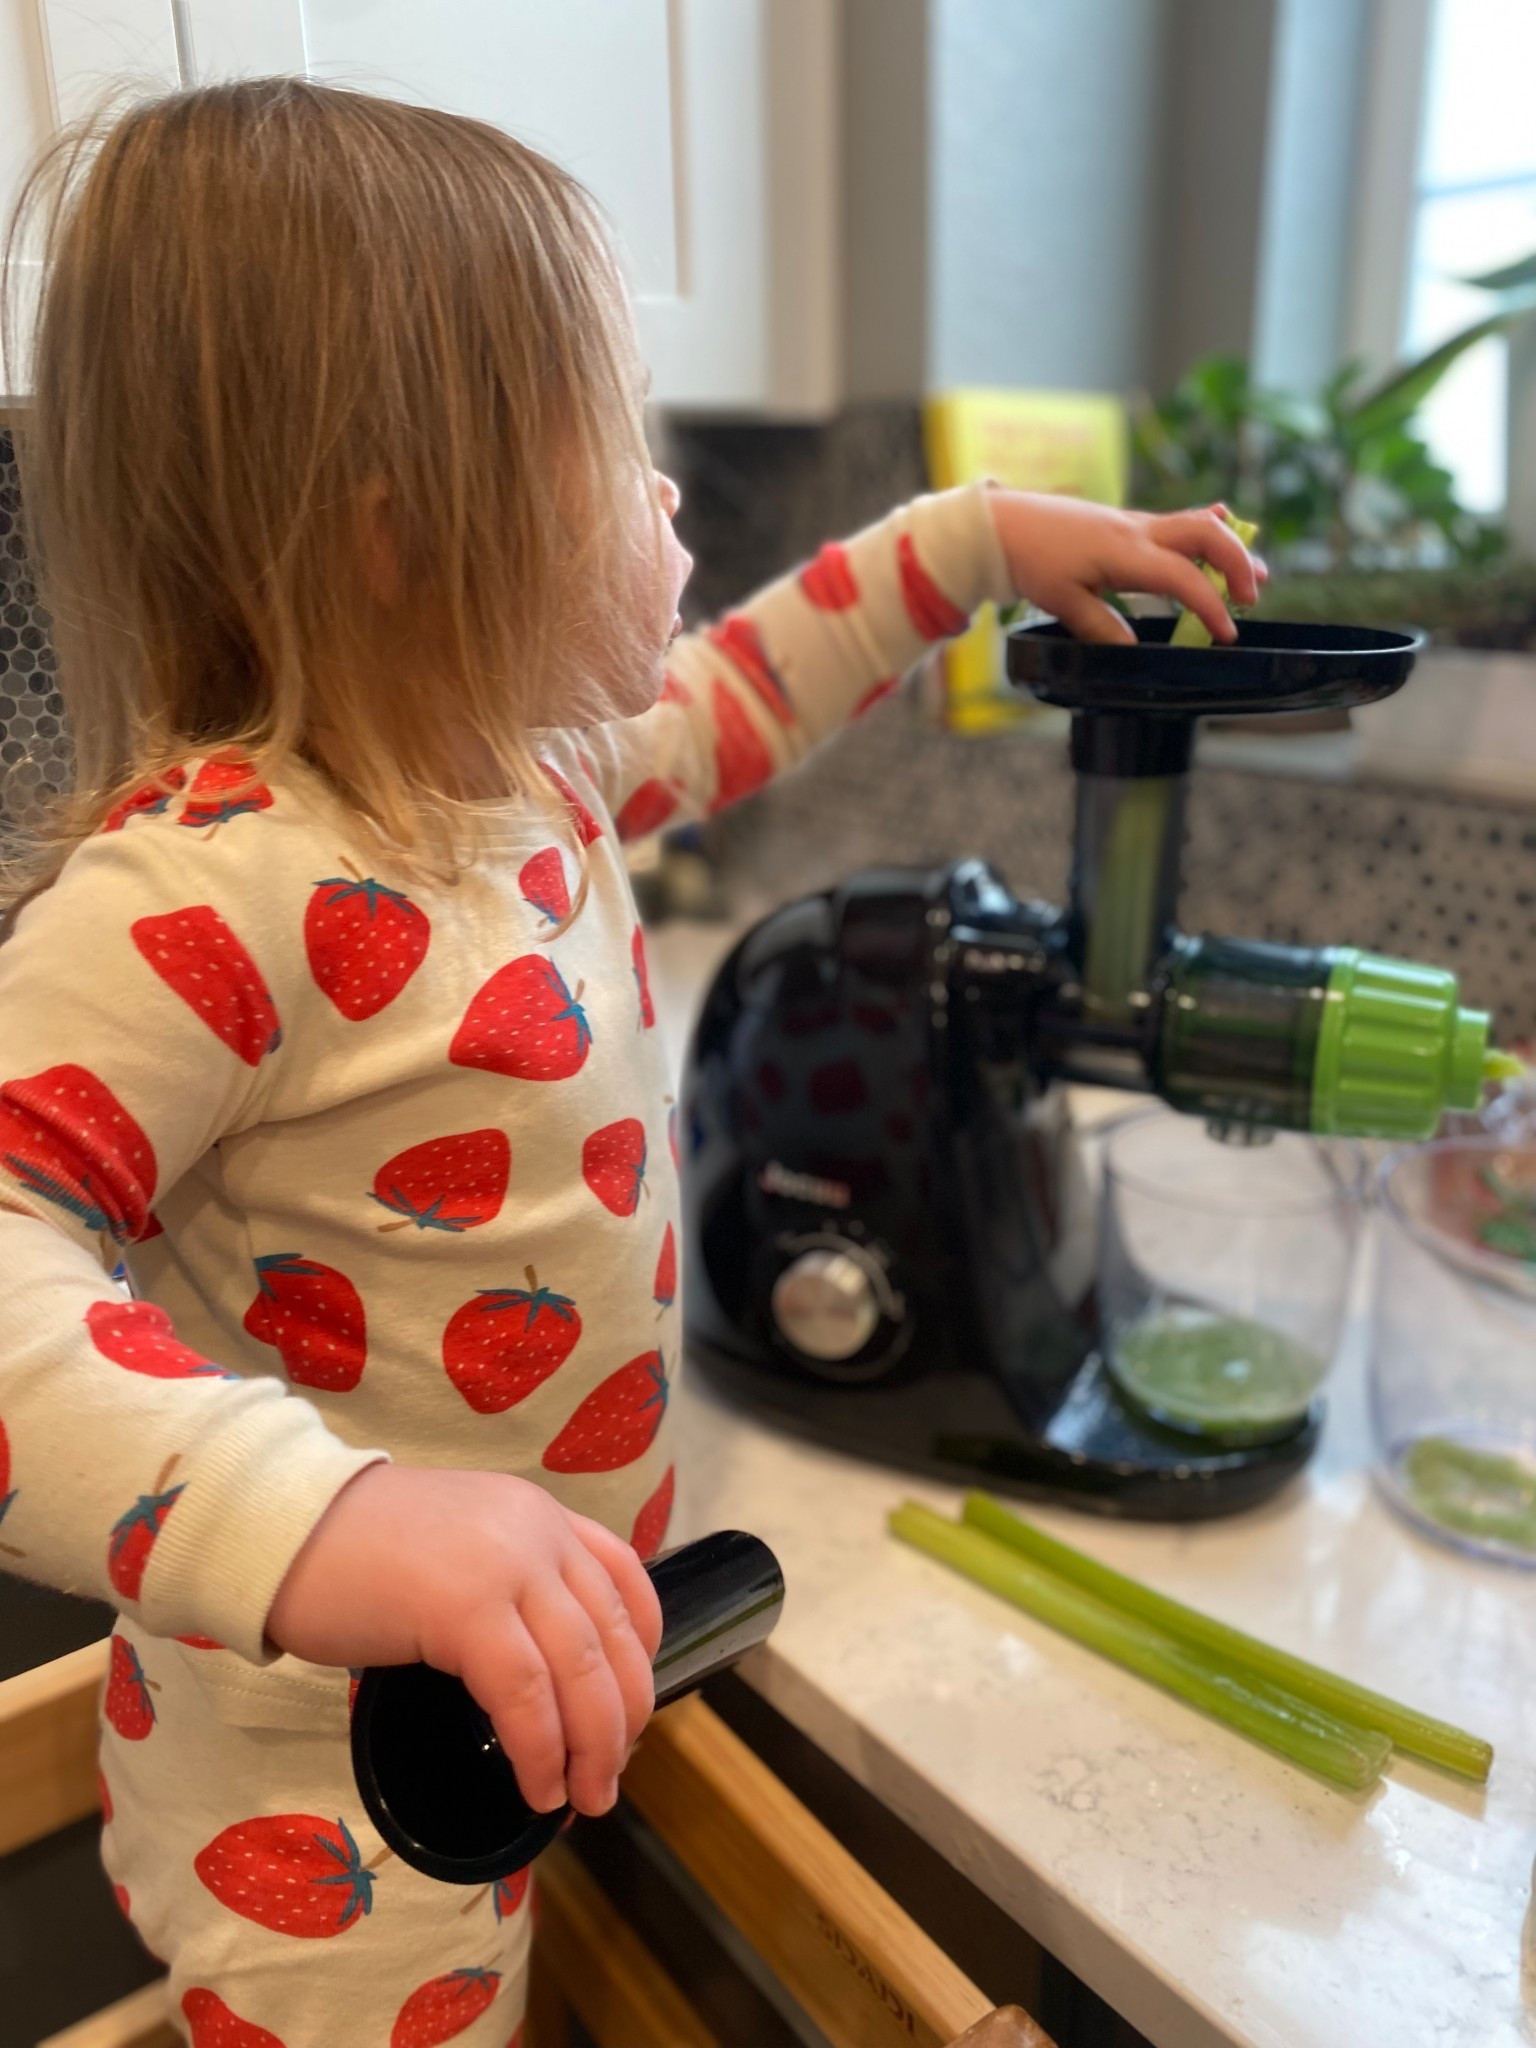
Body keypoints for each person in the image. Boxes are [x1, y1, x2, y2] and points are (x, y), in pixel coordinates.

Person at [0, 79, 1261, 2046]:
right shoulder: (208, 894)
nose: (675, 502)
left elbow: (745, 686)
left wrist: (979, 538)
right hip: (331, 1797)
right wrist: (325, 1521)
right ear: (409, 526)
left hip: (524, 1699)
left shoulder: (532, 767)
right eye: (622, 442)